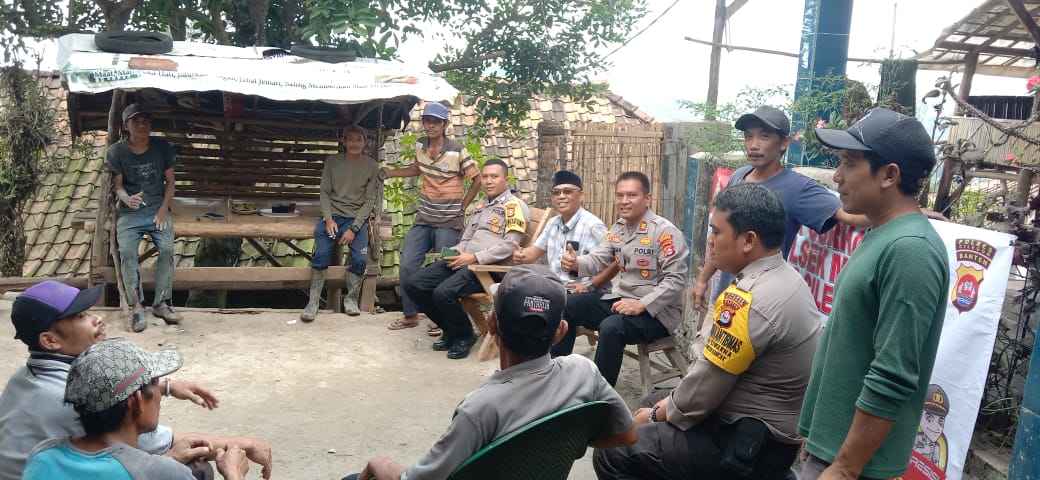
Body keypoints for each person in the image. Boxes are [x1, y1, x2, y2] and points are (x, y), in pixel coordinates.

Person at [593, 183, 822, 479]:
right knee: (652, 401)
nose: (710, 241)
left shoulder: (748, 300)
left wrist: (655, 415)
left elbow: (704, 387)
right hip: (761, 428)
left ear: (748, 240)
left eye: (716, 231)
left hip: (748, 446)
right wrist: (661, 408)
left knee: (617, 449)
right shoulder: (785, 277)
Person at [347, 264, 638, 480]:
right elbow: (626, 435)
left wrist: (382, 464)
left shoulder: (480, 408)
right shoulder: (583, 373)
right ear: (561, 331)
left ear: (492, 324)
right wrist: (564, 442)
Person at [798, 107, 949, 480]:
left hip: (853, 465)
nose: (837, 176)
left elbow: (893, 374)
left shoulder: (910, 250)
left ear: (889, 175)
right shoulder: (883, 234)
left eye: (849, 163)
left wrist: (846, 467)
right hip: (830, 449)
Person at [0, 281, 273, 480]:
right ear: (50, 340)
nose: (97, 319)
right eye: (81, 316)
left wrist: (166, 386)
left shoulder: (27, 383)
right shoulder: (66, 400)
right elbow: (154, 443)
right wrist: (239, 459)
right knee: (197, 469)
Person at [692, 106, 865, 309]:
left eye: (764, 136)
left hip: (760, 305)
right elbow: (720, 237)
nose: (753, 145)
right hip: (725, 297)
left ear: (784, 143)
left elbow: (851, 216)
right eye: (748, 137)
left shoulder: (798, 188)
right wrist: (703, 280)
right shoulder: (739, 176)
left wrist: (892, 215)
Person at [22, 338, 252, 480]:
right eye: (156, 383)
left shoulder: (42, 455)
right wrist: (234, 474)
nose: (160, 393)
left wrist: (167, 459)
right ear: (136, 401)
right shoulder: (163, 474)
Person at [556, 171, 688, 386]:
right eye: (620, 195)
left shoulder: (665, 232)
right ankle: (556, 375)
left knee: (611, 327)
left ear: (647, 199)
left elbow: (676, 280)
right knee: (567, 304)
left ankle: (598, 393)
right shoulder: (618, 228)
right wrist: (576, 263)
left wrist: (642, 304)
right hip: (622, 301)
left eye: (631, 195)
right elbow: (599, 258)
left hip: (658, 314)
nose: (624, 201)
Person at [402, 160, 529, 359]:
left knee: (443, 292)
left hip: (488, 269)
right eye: (485, 177)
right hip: (465, 261)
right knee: (414, 284)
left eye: (494, 177)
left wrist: (474, 257)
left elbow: (510, 245)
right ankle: (451, 330)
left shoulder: (514, 206)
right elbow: (466, 239)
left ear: (506, 179)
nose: (488, 181)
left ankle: (464, 336)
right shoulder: (482, 205)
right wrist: (455, 251)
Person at [384, 102, 481, 332]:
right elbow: (417, 169)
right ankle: (410, 315)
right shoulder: (420, 145)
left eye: (435, 121)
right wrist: (391, 172)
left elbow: (477, 179)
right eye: (427, 121)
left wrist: (463, 206)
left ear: (444, 124)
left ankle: (441, 318)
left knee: (446, 267)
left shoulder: (457, 151)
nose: (430, 125)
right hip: (425, 218)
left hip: (449, 222)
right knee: (407, 264)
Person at [108, 103, 181, 332]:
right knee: (127, 252)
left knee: (167, 249)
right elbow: (118, 187)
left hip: (157, 210)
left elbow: (171, 182)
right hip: (130, 214)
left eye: (146, 121)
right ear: (126, 126)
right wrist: (126, 198)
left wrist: (163, 210)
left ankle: (161, 303)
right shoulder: (117, 152)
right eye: (136, 121)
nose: (142, 125)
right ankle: (137, 306)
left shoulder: (162, 147)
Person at [302, 126, 381, 321]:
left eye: (359, 139)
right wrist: (328, 219)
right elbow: (324, 192)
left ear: (365, 142)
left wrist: (354, 228)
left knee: (360, 259)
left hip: (356, 219)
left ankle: (351, 299)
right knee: (321, 255)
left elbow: (370, 201)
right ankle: (313, 302)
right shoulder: (333, 162)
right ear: (344, 142)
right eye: (350, 139)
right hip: (333, 217)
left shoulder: (372, 166)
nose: (354, 143)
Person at [512, 170, 614, 291]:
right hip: (556, 289)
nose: (561, 196)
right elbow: (533, 252)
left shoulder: (593, 226)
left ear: (581, 196)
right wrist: (521, 255)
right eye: (556, 192)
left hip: (585, 292)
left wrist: (590, 285)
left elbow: (613, 261)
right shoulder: (553, 223)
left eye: (567, 192)